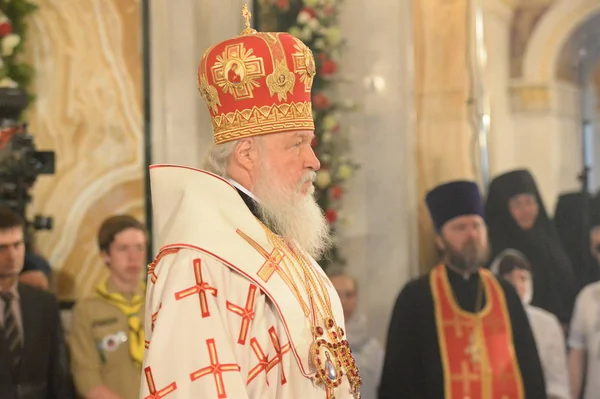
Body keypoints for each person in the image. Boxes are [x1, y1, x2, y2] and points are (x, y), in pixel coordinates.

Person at [140, 6, 360, 399]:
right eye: (296, 144)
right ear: (246, 154)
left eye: (309, 143)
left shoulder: (288, 248)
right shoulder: (198, 264)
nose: (314, 161)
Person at [378, 180, 546, 399]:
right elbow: (399, 380)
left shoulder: (505, 293)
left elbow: (530, 371)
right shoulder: (416, 298)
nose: (472, 235)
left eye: (477, 226)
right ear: (440, 240)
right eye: (460, 228)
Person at [485, 169, 577, 326]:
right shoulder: (494, 254)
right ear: (502, 209)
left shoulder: (550, 244)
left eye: (529, 202)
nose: (526, 210)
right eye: (517, 204)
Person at [69, 215, 147, 399]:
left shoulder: (159, 301)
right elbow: (86, 375)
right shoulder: (87, 310)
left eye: (139, 248)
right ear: (105, 255)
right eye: (123, 249)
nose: (133, 257)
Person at [0, 205, 73, 398]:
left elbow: (59, 376)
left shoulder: (44, 304)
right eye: (2, 247)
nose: (12, 256)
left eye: (17, 245)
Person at [491, 249, 570, 399]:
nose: (517, 285)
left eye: (523, 278)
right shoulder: (486, 321)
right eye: (509, 278)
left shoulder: (547, 323)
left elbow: (558, 382)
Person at [329, 270, 383, 399]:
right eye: (336, 294)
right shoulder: (316, 339)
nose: (343, 301)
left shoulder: (373, 348)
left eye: (348, 295)